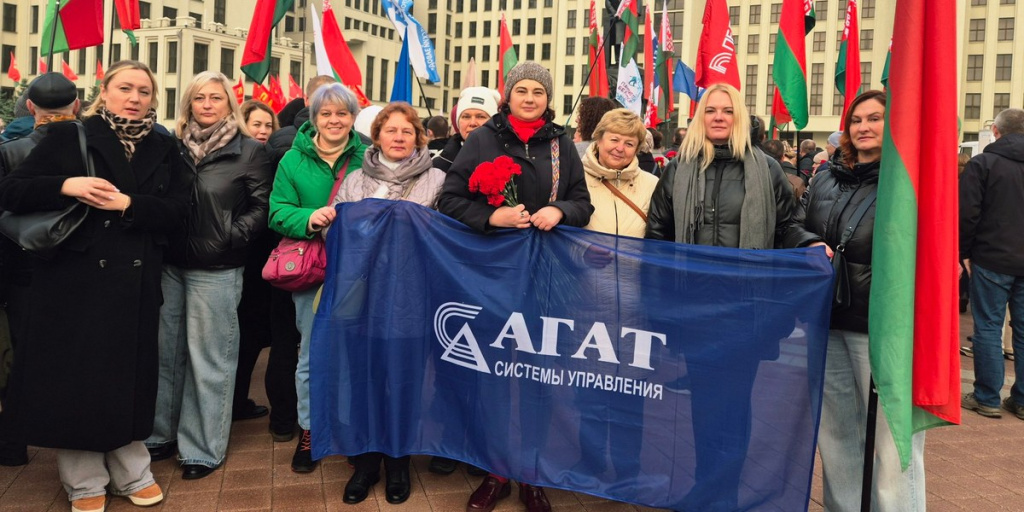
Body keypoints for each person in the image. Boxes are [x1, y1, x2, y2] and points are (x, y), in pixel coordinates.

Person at [0, 61, 189, 512]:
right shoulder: (69, 135)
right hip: (73, 283)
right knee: (78, 383)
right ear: (104, 92)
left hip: (137, 282)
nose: (135, 97)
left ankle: (131, 469)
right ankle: (83, 480)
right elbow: (11, 192)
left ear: (154, 98)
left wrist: (131, 204)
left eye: (144, 90)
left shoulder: (166, 145)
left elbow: (181, 213)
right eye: (125, 87)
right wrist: (67, 184)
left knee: (130, 378)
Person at [438, 61, 592, 512]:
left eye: (538, 92)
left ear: (548, 99)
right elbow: (450, 198)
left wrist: (561, 210)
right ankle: (495, 470)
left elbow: (583, 202)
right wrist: (492, 217)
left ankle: (531, 471)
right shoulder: (485, 136)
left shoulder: (562, 142)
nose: (529, 98)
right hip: (493, 276)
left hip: (547, 278)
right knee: (495, 374)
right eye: (521, 90)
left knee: (536, 377)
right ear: (509, 95)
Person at [645, 82, 795, 511]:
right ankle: (708, 486)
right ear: (699, 117)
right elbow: (657, 235)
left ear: (739, 116)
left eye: (727, 110)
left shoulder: (766, 169)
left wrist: (809, 247)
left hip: (745, 311)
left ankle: (721, 492)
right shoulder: (678, 168)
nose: (718, 117)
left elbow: (787, 227)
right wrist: (660, 306)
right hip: (694, 310)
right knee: (706, 404)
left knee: (734, 405)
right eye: (710, 110)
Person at [784, 90, 927, 510]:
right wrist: (809, 241)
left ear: (894, 123)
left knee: (894, 444)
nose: (864, 127)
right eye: (857, 120)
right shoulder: (827, 175)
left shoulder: (909, 178)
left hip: (885, 326)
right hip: (828, 319)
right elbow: (795, 222)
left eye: (876, 118)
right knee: (838, 437)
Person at [145, 71, 272, 480]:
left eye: (215, 97)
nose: (207, 104)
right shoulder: (171, 147)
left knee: (209, 359)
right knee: (167, 355)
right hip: (171, 265)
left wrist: (231, 237)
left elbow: (262, 205)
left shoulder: (249, 150)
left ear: (228, 103)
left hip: (216, 268)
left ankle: (202, 448)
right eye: (199, 97)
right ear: (188, 103)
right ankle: (160, 434)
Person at [331, 102, 446, 505]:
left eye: (407, 131)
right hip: (362, 296)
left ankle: (398, 461)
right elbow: (339, 234)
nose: (399, 138)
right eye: (391, 130)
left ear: (419, 138)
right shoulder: (356, 180)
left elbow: (444, 239)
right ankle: (365, 462)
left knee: (404, 381)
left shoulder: (437, 180)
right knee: (363, 378)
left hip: (412, 296)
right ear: (376, 136)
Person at [268, 83, 367, 473]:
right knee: (311, 355)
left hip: (358, 269)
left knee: (355, 353)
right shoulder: (292, 160)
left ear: (352, 118)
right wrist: (308, 218)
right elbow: (276, 212)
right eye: (326, 113)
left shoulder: (368, 157)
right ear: (314, 118)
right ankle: (310, 430)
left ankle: (351, 427)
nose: (334, 120)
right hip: (312, 269)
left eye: (342, 113)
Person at [0, 73, 83, 467]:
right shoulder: (92, 148)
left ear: (30, 106)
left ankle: (13, 444)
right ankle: (75, 437)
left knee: (24, 357)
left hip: (23, 268)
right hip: (78, 266)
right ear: (78, 106)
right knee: (78, 356)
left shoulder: (9, 150)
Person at [960, 107, 1024, 422]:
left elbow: (968, 213)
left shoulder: (983, 163)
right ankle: (1022, 400)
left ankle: (987, 396)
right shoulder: (983, 163)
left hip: (992, 256)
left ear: (996, 132)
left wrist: (964, 252)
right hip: (1004, 257)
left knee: (987, 326)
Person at [231, 99, 282, 424]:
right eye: (256, 124)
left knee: (249, 337)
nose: (262, 131)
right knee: (242, 337)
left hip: (265, 262)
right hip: (242, 257)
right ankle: (235, 403)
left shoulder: (273, 158)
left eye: (268, 125)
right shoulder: (239, 157)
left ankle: (238, 401)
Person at [579, 109, 658, 232]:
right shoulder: (575, 177)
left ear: (637, 149)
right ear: (599, 140)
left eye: (629, 144)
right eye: (614, 140)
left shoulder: (652, 184)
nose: (620, 148)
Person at [433, 86, 500, 173]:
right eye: (466, 116)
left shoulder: (509, 159)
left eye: (480, 116)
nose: (472, 123)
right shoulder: (439, 164)